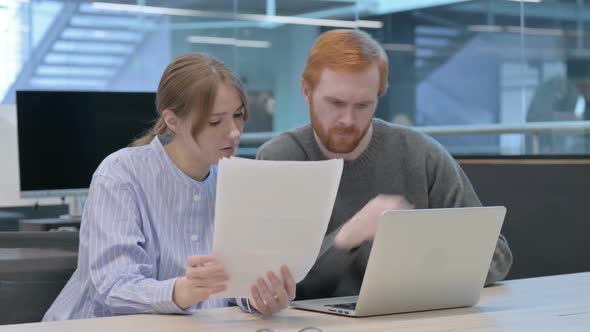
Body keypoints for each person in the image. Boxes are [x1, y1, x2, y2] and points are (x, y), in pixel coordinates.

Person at [257, 29, 513, 300]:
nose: (348, 119)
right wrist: (347, 237)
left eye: (363, 105)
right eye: (335, 103)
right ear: (306, 91)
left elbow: (497, 258)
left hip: (413, 317)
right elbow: (273, 285)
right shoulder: (278, 159)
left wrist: (416, 240)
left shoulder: (422, 154)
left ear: (380, 95)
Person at [43, 53, 295, 320]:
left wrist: (259, 297)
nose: (233, 132)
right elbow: (113, 288)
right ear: (172, 121)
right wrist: (181, 291)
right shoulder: (120, 175)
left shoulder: (233, 182)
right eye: (215, 121)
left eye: (238, 115)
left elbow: (236, 282)